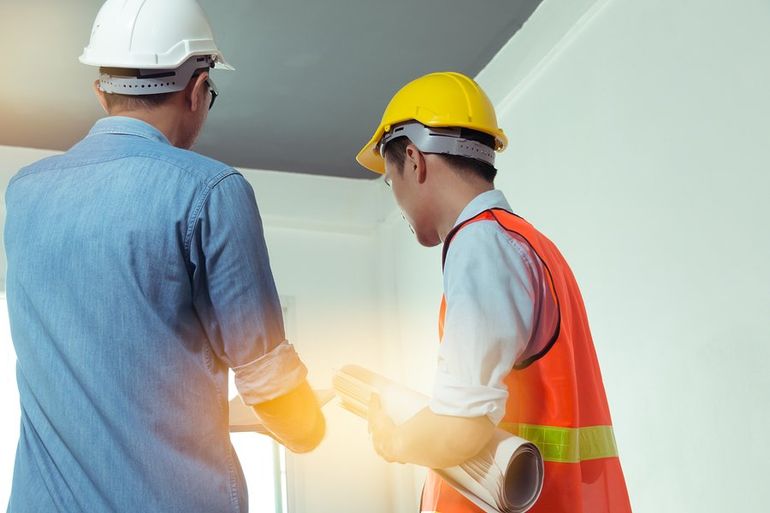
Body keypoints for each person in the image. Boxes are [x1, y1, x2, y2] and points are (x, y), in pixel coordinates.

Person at [4, 1, 324, 512]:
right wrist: (308, 426)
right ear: (198, 91)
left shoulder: (22, 196)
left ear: (100, 90)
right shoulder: (212, 191)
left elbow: (114, 388)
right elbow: (269, 383)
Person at [358, 72, 632, 513]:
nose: (398, 200)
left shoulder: (480, 245)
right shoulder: (528, 246)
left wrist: (397, 441)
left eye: (391, 183)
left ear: (414, 160)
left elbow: (462, 426)